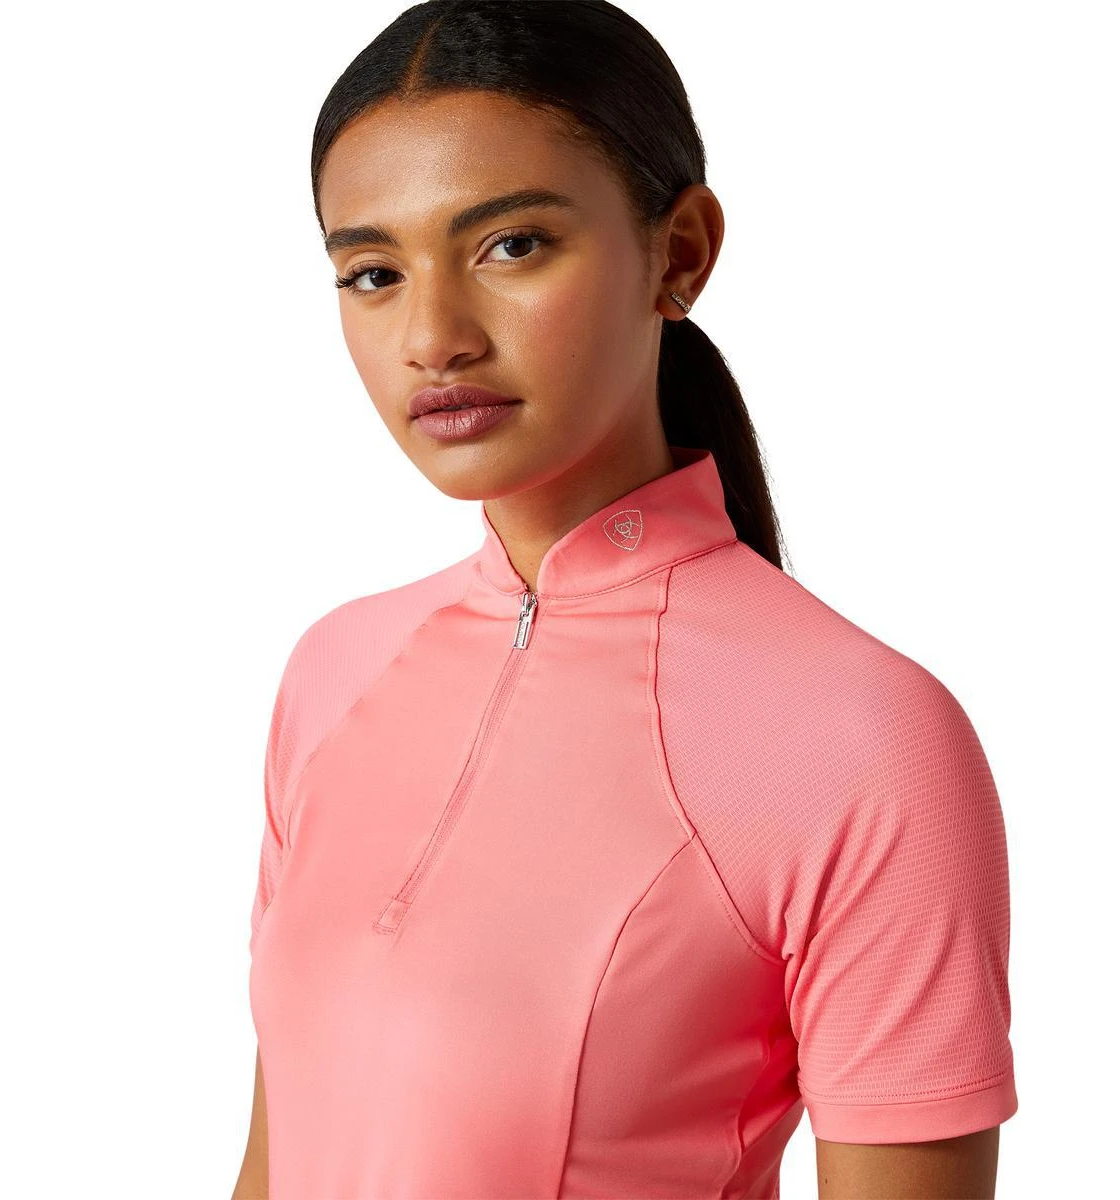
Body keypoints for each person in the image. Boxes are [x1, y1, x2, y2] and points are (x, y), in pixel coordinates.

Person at [233, 2, 1018, 1197]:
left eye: (512, 246)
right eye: (375, 273)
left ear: (680, 252)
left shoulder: (863, 740)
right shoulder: (334, 672)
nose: (433, 337)